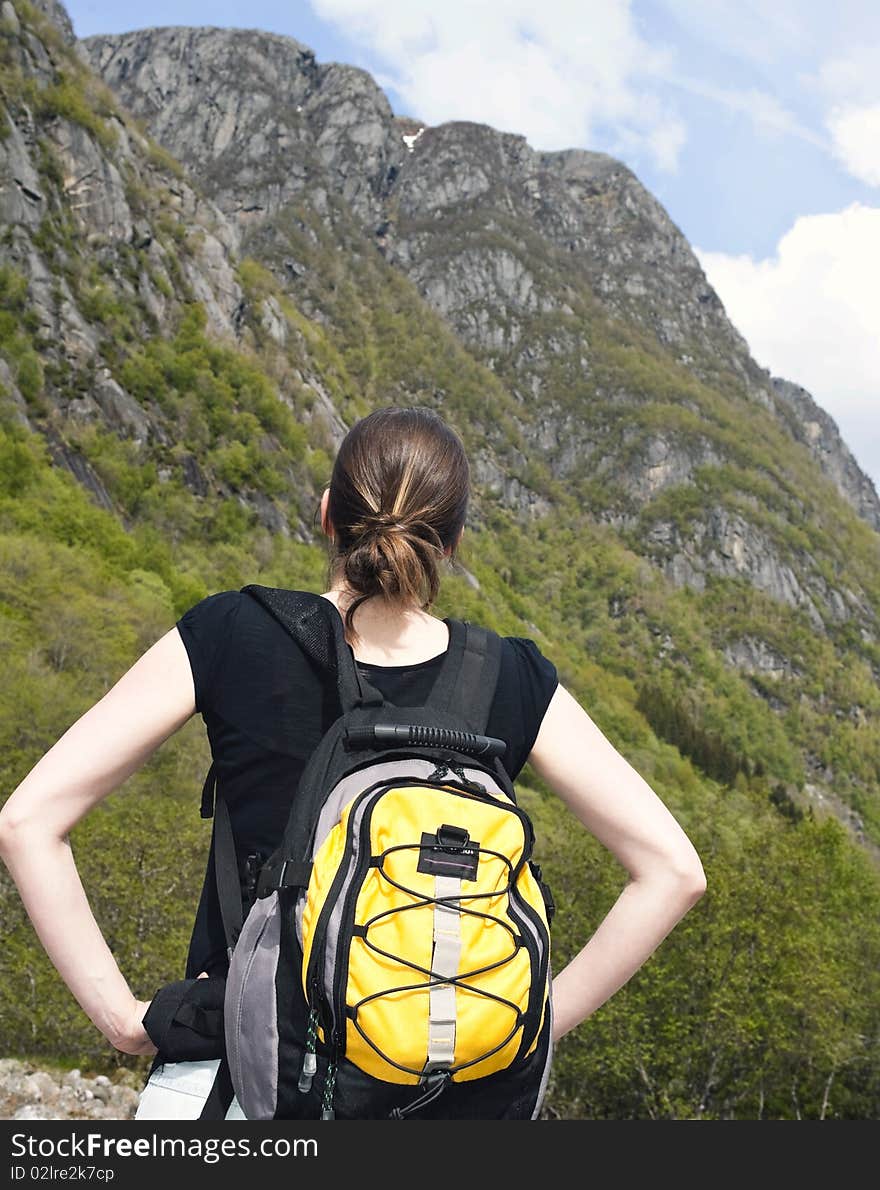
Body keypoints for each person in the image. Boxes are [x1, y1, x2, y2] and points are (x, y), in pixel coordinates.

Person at [0, 405, 706, 1120]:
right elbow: (673, 873)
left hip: (245, 1075)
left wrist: (122, 1017)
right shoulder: (510, 675)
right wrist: (522, 1025)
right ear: (453, 543)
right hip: (441, 1100)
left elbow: (27, 822)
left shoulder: (234, 631)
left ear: (327, 512)